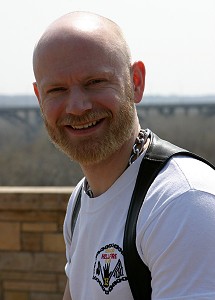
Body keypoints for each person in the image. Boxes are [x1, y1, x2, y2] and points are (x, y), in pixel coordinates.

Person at [33, 11, 215, 300]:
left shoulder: (182, 202)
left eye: (95, 82)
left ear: (136, 81)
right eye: (57, 90)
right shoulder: (81, 200)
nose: (77, 107)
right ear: (39, 99)